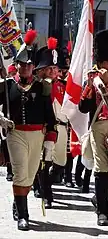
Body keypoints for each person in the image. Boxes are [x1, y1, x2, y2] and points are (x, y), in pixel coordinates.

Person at [0, 30, 58, 231]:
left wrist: (50, 141)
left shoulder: (42, 88)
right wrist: (1, 119)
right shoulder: (7, 86)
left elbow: (50, 117)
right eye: (22, 65)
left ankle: (18, 203)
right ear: (16, 66)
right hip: (15, 133)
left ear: (33, 67)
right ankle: (23, 215)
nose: (25, 68)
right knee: (20, 172)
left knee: (30, 175)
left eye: (28, 66)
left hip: (37, 136)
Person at [79, 30, 108, 226]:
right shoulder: (91, 79)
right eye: (106, 62)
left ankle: (99, 199)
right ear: (99, 63)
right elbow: (83, 108)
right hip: (98, 126)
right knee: (101, 168)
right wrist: (90, 86)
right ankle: (103, 212)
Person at [34, 39, 69, 208]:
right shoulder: (38, 87)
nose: (53, 71)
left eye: (55, 68)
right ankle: (46, 194)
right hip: (44, 128)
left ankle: (47, 182)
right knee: (44, 162)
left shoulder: (64, 85)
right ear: (43, 70)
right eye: (50, 68)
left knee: (61, 162)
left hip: (61, 127)